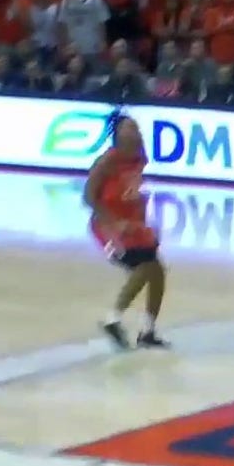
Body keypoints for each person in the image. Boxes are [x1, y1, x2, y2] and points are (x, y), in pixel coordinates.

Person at [84, 114, 168, 349]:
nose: (136, 131)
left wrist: (145, 226)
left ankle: (148, 332)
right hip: (106, 225)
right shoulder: (106, 162)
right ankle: (113, 319)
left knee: (157, 272)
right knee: (143, 268)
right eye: (130, 127)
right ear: (118, 133)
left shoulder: (140, 157)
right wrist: (114, 223)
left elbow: (134, 194)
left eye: (136, 127)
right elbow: (89, 197)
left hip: (132, 224)